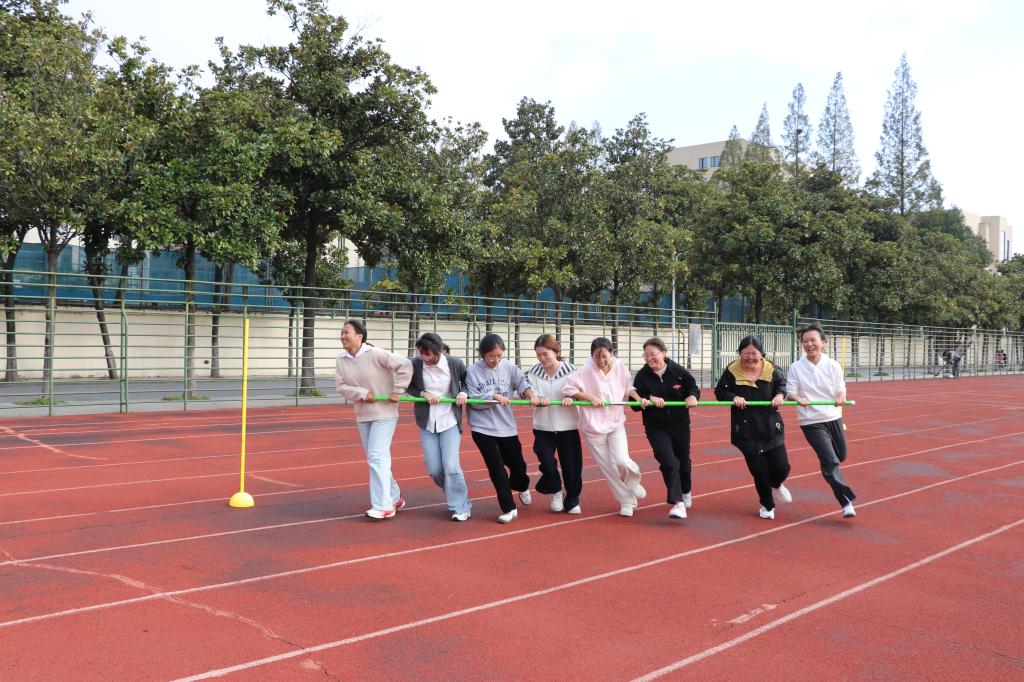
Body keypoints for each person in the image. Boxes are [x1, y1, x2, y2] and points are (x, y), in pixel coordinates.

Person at [334, 319, 413, 520]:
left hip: (384, 413)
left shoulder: (376, 354)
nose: (343, 336)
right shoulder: (341, 359)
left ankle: (383, 506)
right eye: (341, 333)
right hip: (362, 415)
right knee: (376, 458)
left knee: (377, 456)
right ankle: (394, 496)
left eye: (346, 333)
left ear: (359, 336)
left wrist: (398, 390)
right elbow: (341, 386)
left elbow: (405, 365)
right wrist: (362, 393)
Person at [563, 337, 648, 518]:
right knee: (609, 469)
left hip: (615, 422)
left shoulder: (620, 366)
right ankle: (627, 501)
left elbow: (628, 387)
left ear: (611, 354)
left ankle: (633, 482)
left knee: (622, 461)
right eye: (597, 357)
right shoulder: (585, 370)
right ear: (591, 356)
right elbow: (569, 388)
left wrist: (638, 398)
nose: (601, 361)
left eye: (604, 357)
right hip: (593, 427)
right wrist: (590, 397)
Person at [714, 335, 791, 520]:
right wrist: (733, 397)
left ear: (761, 353)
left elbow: (782, 386)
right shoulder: (732, 371)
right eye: (745, 353)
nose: (750, 357)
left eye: (754, 354)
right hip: (746, 430)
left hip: (771, 427)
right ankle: (767, 505)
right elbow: (720, 391)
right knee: (759, 471)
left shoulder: (771, 369)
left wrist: (780, 395)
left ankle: (777, 483)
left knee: (782, 467)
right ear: (740, 353)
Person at [465, 333, 539, 524]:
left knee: (518, 467)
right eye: (491, 356)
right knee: (496, 468)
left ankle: (522, 486)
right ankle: (509, 508)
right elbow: (473, 399)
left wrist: (530, 395)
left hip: (506, 426)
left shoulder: (509, 367)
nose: (496, 360)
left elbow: (522, 384)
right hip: (482, 428)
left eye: (499, 356)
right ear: (482, 354)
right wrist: (493, 396)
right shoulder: (472, 371)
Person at [786, 322, 857, 518]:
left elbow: (841, 388)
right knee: (830, 460)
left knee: (840, 456)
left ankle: (830, 468)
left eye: (813, 340)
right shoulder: (796, 367)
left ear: (823, 342)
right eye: (805, 341)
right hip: (810, 421)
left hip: (833, 417)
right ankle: (846, 501)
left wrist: (841, 396)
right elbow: (790, 392)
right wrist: (796, 398)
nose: (809, 344)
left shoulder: (833, 365)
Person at [631, 337, 700, 520]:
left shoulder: (678, 371)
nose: (649, 359)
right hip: (656, 426)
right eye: (646, 355)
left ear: (663, 353)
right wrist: (647, 398)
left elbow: (693, 387)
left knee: (683, 461)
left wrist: (693, 396)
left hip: (679, 424)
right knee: (669, 461)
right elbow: (633, 403)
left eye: (653, 354)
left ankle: (686, 491)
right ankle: (678, 503)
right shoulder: (642, 375)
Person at [407, 332, 472, 522]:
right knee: (434, 470)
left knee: (451, 466)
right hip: (427, 422)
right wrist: (423, 393)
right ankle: (454, 491)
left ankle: (461, 506)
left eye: (427, 354)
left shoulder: (454, 363)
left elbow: (467, 380)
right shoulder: (416, 364)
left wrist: (463, 393)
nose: (423, 357)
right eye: (420, 352)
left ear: (439, 352)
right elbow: (409, 386)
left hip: (449, 420)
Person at [525, 334, 584, 514]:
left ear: (556, 352)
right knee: (547, 462)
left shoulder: (571, 370)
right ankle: (556, 490)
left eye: (546, 354)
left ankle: (572, 500)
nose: (542, 358)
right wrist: (537, 399)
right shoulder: (533, 372)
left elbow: (579, 391)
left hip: (568, 426)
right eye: (538, 355)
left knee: (571, 466)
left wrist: (571, 397)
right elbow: (531, 392)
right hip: (543, 427)